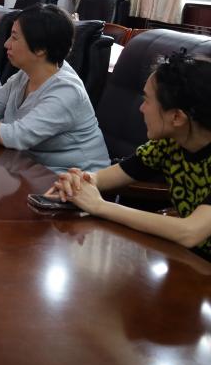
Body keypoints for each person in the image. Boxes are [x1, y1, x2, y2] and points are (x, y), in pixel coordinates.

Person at [47, 51, 211, 259]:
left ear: (177, 117)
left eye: (147, 100)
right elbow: (102, 177)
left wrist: (100, 206)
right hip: (190, 261)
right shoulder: (168, 145)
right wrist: (78, 181)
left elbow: (191, 232)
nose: (141, 108)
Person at [0, 4, 110, 172]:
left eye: (14, 37)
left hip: (75, 179)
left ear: (40, 48)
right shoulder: (25, 75)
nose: (6, 44)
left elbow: (15, 136)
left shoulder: (67, 91)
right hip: (30, 169)